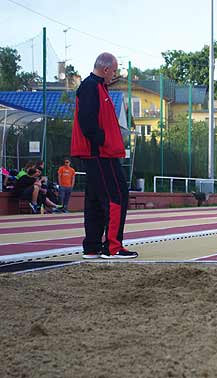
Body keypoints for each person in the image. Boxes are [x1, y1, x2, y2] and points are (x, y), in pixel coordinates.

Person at [71, 52, 138, 259]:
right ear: (106, 69)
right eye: (114, 71)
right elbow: (87, 121)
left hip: (99, 152)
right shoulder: (91, 87)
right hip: (99, 153)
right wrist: (102, 141)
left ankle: (92, 247)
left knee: (95, 200)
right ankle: (113, 246)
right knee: (117, 195)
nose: (115, 75)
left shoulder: (99, 87)